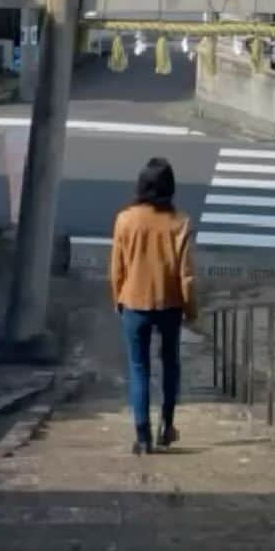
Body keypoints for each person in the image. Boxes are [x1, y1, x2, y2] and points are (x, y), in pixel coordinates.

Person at [110, 157, 197, 456]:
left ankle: (142, 436)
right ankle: (167, 425)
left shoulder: (125, 220)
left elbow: (116, 268)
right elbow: (186, 274)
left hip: (133, 301)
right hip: (170, 302)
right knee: (170, 362)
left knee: (138, 368)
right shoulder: (180, 223)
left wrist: (117, 298)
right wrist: (191, 309)